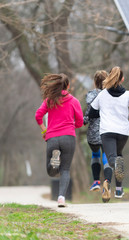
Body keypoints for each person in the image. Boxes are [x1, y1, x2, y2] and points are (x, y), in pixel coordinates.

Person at [88, 66, 129, 203]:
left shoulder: (102, 95)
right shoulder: (128, 95)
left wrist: (99, 113)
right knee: (118, 154)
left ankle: (112, 173)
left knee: (112, 158)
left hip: (107, 131)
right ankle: (118, 188)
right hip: (123, 132)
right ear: (122, 79)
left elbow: (91, 112)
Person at [35, 73, 83, 207]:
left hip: (52, 138)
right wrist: (72, 125)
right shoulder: (74, 101)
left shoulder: (50, 100)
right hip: (68, 137)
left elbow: (38, 115)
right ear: (67, 86)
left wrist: (44, 129)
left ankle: (54, 161)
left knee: (51, 171)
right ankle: (61, 198)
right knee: (65, 169)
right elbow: (79, 122)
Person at [83, 70, 109, 192]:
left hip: (93, 133)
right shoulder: (110, 95)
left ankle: (96, 182)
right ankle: (107, 183)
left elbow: (87, 115)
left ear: (94, 82)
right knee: (106, 155)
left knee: (95, 154)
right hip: (107, 130)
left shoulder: (90, 95)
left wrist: (82, 121)